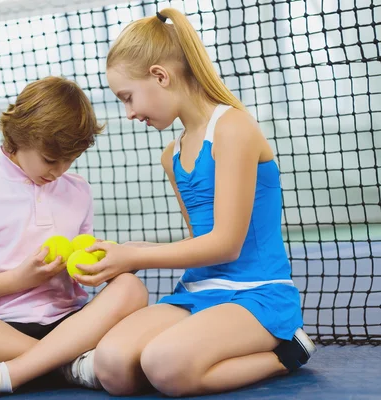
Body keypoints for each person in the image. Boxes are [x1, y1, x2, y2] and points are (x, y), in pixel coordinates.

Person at [70, 8, 317, 397]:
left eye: (128, 97)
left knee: (164, 365)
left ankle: (287, 351)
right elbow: (196, 247)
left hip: (257, 293)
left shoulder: (234, 128)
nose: (130, 113)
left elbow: (225, 244)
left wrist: (134, 258)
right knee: (112, 366)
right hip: (199, 291)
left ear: (160, 76)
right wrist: (125, 250)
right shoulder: (172, 155)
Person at [0, 76, 148, 399]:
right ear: (18, 137)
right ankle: (67, 366)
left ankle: (25, 368)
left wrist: (95, 267)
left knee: (131, 288)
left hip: (71, 323)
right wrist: (18, 279)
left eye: (70, 160)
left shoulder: (78, 189)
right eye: (51, 160)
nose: (59, 170)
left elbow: (83, 273)